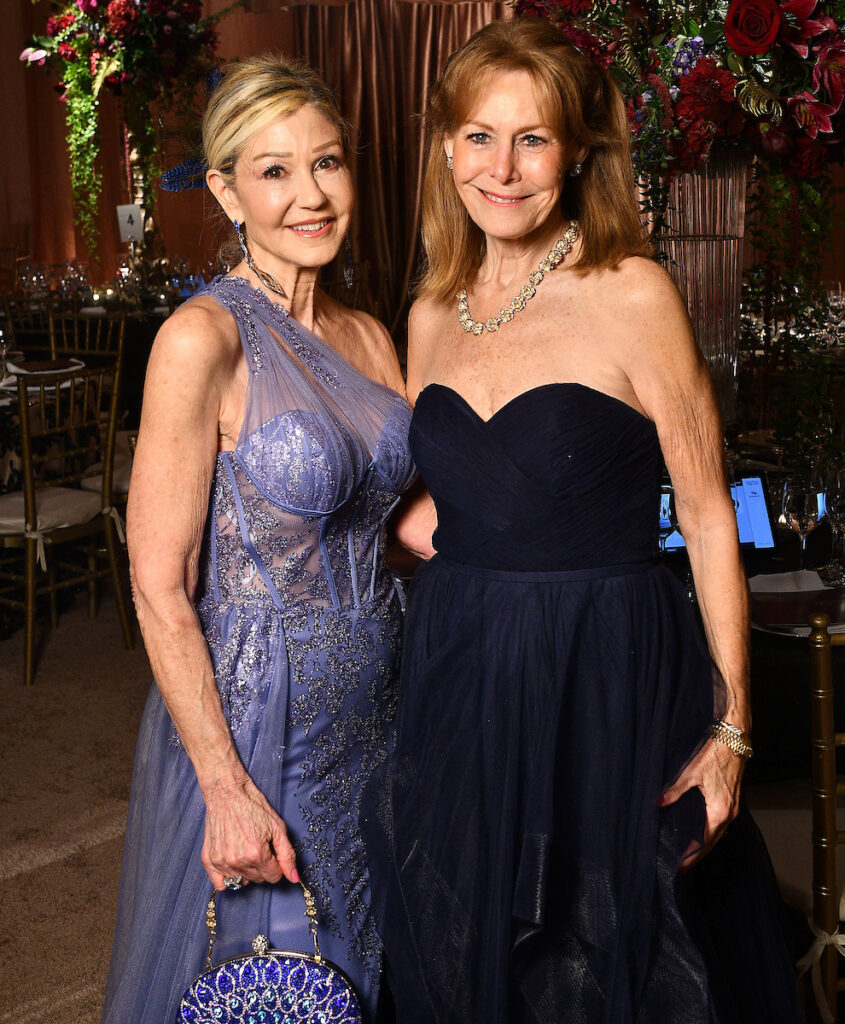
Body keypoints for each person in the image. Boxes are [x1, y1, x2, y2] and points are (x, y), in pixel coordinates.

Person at [364, 18, 801, 1023]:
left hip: (603, 667)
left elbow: (706, 512)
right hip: (461, 665)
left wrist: (732, 729)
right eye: (479, 137)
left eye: (531, 139)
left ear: (572, 154)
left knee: (611, 953)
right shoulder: (428, 311)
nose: (501, 168)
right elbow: (453, 500)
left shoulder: (631, 293)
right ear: (445, 148)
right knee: (466, 939)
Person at [101, 53, 414, 1024]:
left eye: (326, 162)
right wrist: (224, 786)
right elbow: (159, 583)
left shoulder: (371, 336)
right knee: (269, 983)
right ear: (228, 191)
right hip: (257, 723)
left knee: (367, 971)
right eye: (274, 171)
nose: (309, 195)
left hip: (382, 708)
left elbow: (402, 524)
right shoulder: (202, 339)